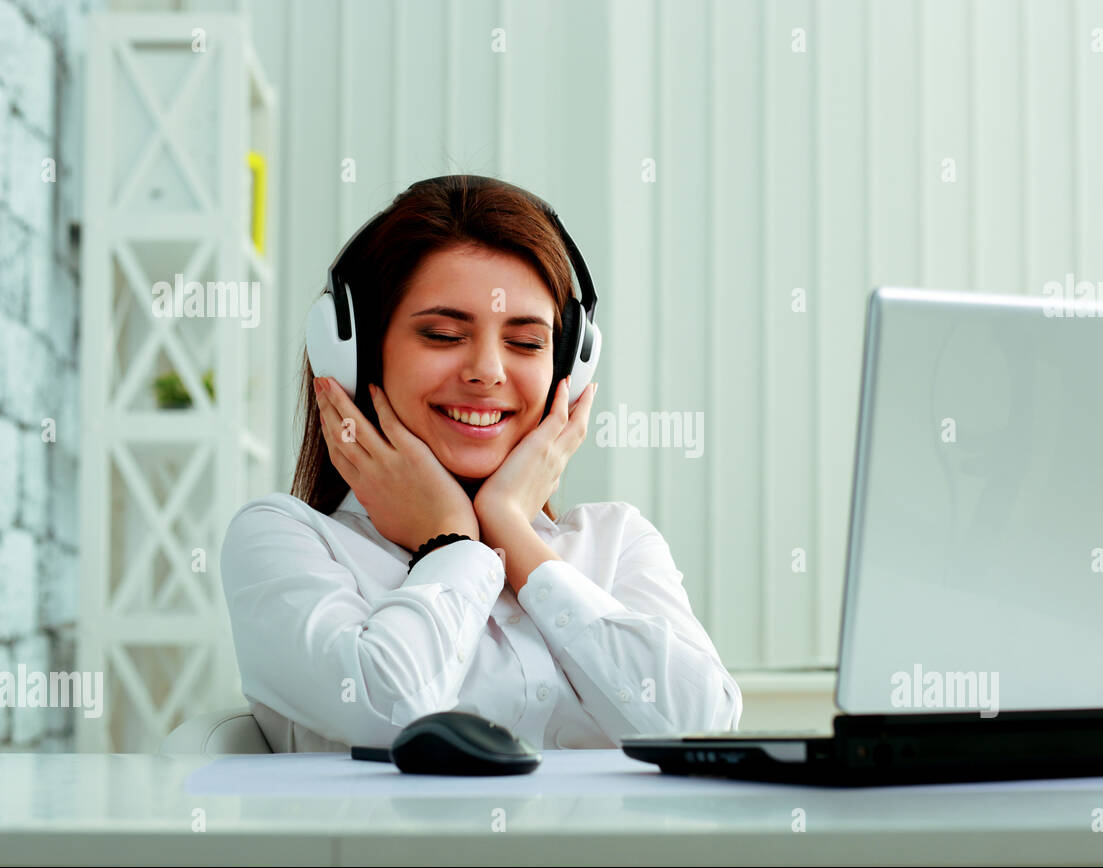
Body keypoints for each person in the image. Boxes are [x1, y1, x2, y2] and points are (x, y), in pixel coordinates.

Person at [218, 174, 742, 752]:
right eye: (443, 334)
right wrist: (452, 547)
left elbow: (705, 727)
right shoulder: (283, 539)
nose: (488, 371)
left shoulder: (618, 543)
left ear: (569, 369)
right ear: (354, 353)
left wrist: (514, 535)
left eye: (525, 342)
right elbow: (386, 714)